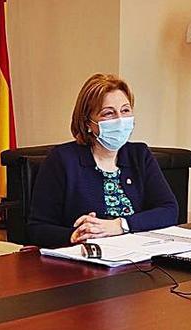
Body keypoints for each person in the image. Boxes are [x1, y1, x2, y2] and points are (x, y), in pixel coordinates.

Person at [26, 73, 179, 249]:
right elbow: (37, 229)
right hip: (85, 262)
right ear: (87, 123)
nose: (120, 120)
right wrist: (75, 235)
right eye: (108, 113)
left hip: (137, 257)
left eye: (125, 110)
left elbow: (169, 210)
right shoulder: (62, 160)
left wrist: (120, 225)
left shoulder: (139, 155)